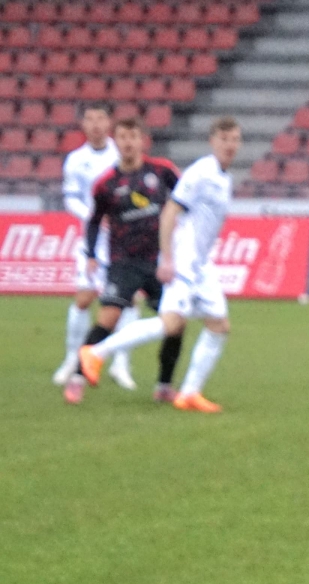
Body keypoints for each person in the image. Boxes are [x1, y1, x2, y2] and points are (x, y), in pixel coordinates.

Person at [78, 118, 240, 412]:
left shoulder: (223, 176)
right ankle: (97, 352)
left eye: (234, 140)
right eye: (224, 139)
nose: (229, 145)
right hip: (184, 259)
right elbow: (170, 212)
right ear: (212, 141)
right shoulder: (201, 172)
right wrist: (167, 259)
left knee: (219, 324)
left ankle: (189, 393)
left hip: (201, 263)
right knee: (171, 323)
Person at [62, 117, 178, 406]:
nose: (128, 142)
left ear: (142, 140)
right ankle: (77, 377)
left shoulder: (162, 171)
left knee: (175, 323)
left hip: (158, 261)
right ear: (117, 141)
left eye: (133, 136)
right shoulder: (106, 184)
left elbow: (184, 200)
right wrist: (91, 254)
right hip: (123, 261)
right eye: (123, 137)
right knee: (108, 318)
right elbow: (94, 221)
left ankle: (164, 385)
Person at [52, 102, 137, 392]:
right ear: (83, 124)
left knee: (128, 302)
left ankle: (121, 363)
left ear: (109, 122)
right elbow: (70, 198)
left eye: (101, 118)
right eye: (90, 119)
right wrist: (93, 216)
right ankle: (71, 358)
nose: (96, 124)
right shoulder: (76, 160)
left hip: (122, 241)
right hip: (92, 241)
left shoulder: (120, 154)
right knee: (84, 299)